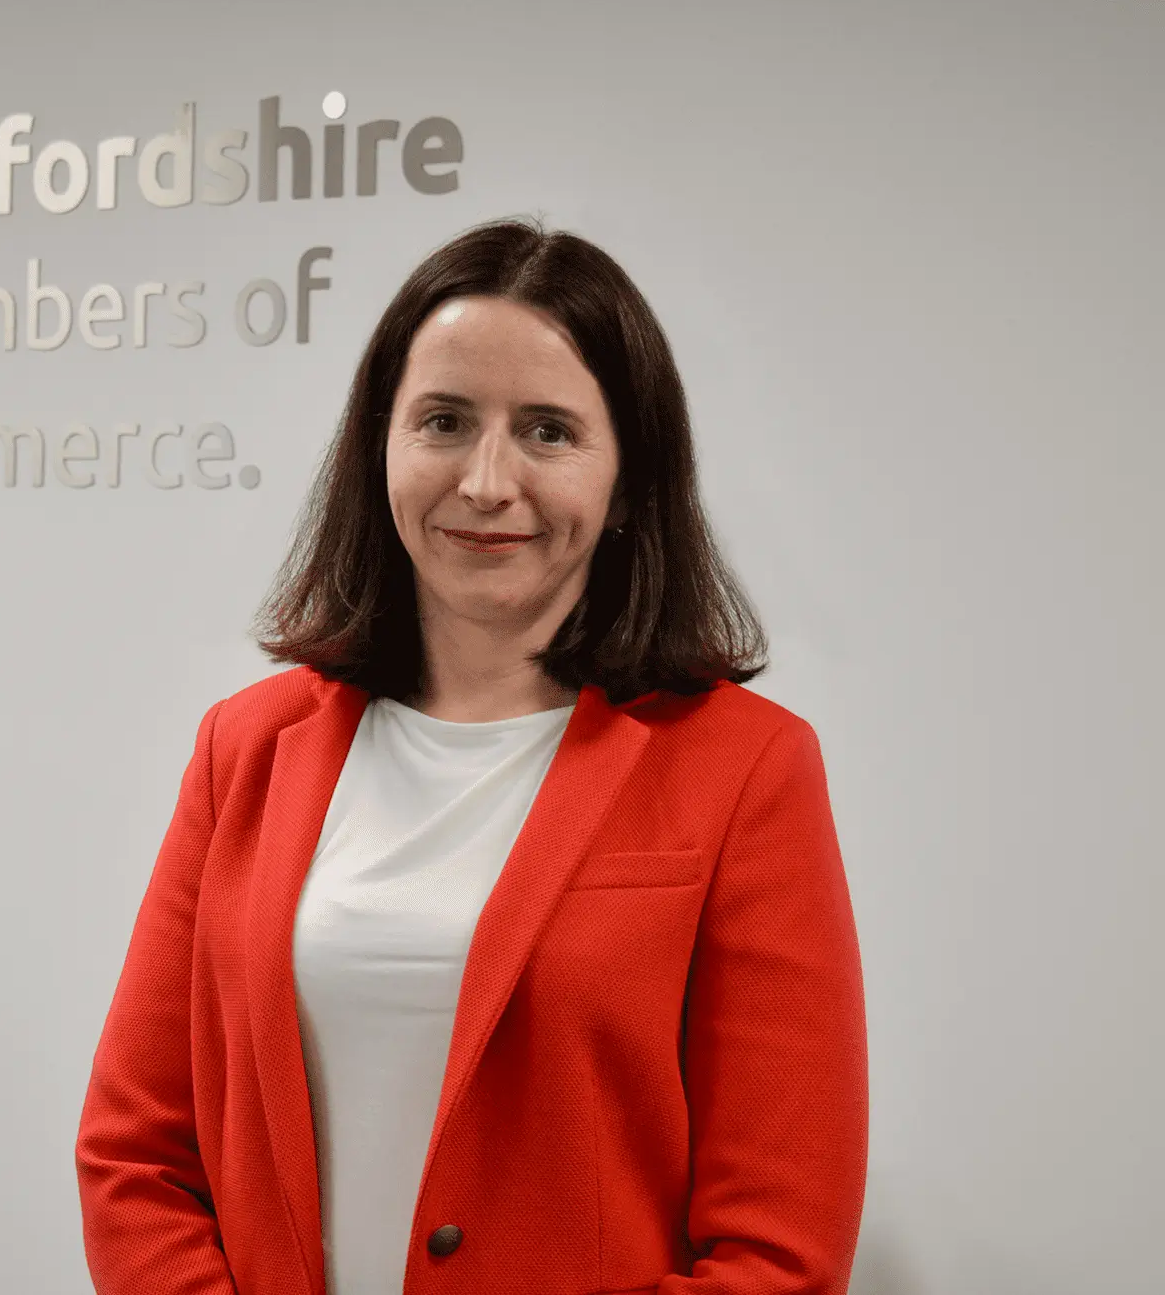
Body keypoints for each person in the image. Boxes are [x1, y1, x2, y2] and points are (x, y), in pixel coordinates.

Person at [74, 218, 869, 1295]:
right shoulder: (245, 749)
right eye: (444, 421)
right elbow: (137, 1153)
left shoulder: (746, 769)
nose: (488, 481)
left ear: (631, 478)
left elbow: (779, 1248)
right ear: (381, 448)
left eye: (548, 431)